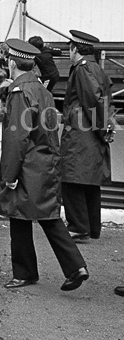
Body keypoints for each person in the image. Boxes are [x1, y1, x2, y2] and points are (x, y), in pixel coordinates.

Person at [0, 39, 89, 292]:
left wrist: (10, 174)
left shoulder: (19, 93)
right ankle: (75, 266)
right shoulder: (42, 90)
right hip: (45, 160)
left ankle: (25, 272)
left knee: (19, 215)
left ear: (12, 62)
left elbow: (17, 137)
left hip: (27, 163)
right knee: (48, 216)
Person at [60, 30, 112, 242]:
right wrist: (105, 130)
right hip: (91, 133)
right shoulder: (96, 68)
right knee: (89, 183)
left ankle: (78, 227)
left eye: (69, 49)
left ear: (75, 49)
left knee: (71, 180)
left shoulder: (82, 69)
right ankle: (91, 227)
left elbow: (93, 102)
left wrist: (101, 130)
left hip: (81, 134)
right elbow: (103, 102)